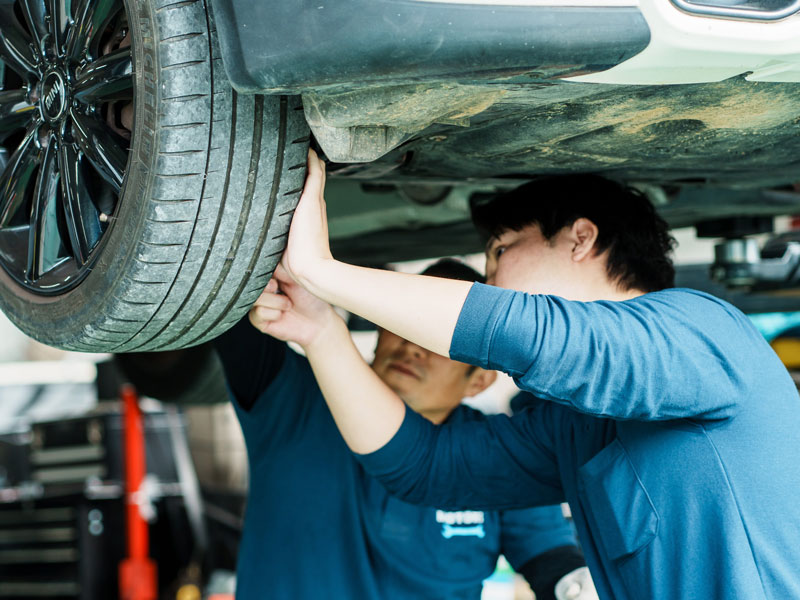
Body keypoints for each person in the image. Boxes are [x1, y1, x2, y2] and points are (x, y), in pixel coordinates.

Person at [253, 149, 800, 600]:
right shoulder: (578, 428)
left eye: (499, 252)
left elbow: (535, 333)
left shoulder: (703, 330)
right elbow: (425, 467)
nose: (489, 282)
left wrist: (323, 273)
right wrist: (322, 333)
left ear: (580, 238)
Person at [216, 257, 593, 600]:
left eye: (440, 337)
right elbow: (215, 290)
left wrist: (576, 588)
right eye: (407, 321)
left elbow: (551, 559)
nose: (414, 346)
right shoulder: (290, 397)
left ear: (478, 381)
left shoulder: (497, 453)